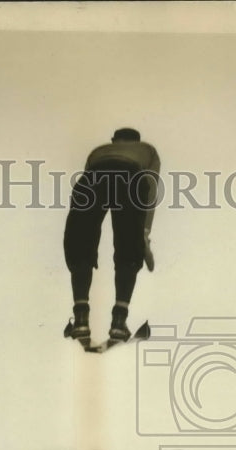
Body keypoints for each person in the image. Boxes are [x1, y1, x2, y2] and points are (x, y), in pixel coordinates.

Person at [64, 127, 160, 348]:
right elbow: (151, 191)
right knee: (128, 247)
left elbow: (83, 196)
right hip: (131, 179)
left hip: (92, 179)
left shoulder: (98, 151)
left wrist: (76, 229)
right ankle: (119, 321)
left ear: (114, 140)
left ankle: (80, 319)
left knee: (80, 244)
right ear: (137, 141)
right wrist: (143, 234)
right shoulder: (148, 151)